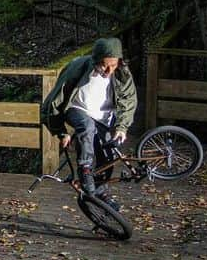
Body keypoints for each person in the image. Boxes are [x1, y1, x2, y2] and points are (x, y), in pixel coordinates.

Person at [40, 37, 137, 209]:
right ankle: (84, 169)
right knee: (87, 127)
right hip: (78, 109)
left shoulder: (122, 72)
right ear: (96, 60)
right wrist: (61, 131)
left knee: (108, 157)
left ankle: (100, 190)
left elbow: (128, 99)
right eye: (104, 65)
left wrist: (122, 127)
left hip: (105, 117)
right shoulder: (79, 67)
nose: (108, 70)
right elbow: (53, 101)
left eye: (113, 65)